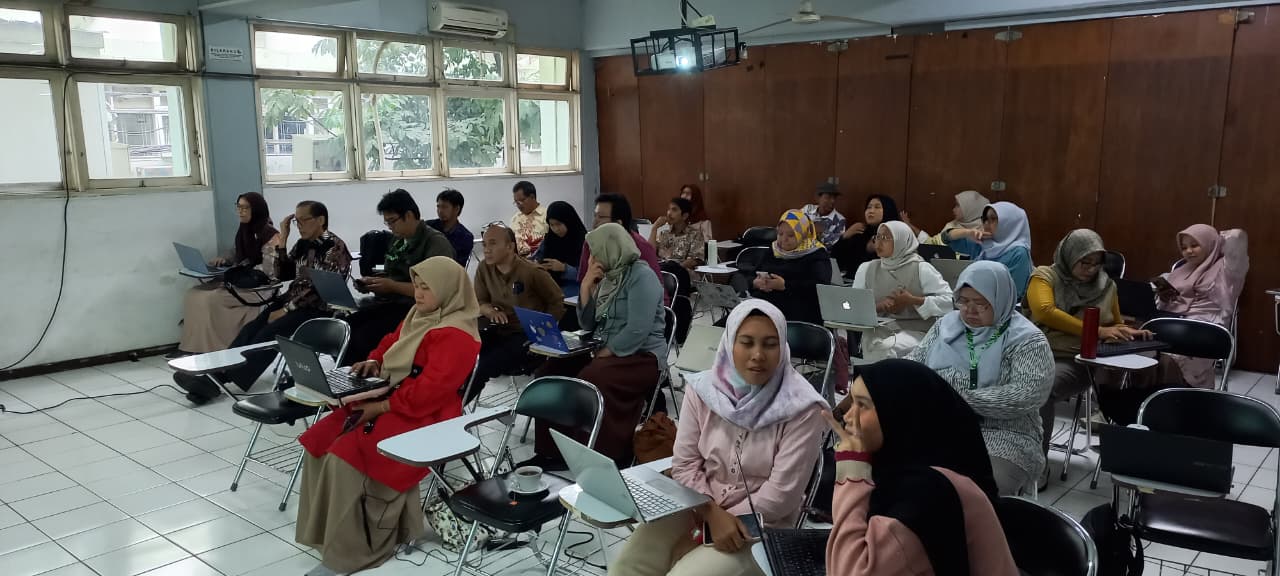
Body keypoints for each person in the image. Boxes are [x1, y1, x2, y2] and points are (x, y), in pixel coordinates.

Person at [608, 300, 827, 576]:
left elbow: (780, 496)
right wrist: (709, 515)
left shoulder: (802, 408)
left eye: (770, 345)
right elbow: (685, 465)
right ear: (729, 343)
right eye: (746, 342)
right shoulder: (703, 390)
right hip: (696, 502)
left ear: (783, 348)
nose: (758, 355)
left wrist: (704, 535)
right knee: (628, 566)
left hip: (760, 525)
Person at [296, 257, 481, 576]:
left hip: (426, 414)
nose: (418, 293)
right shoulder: (419, 315)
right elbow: (390, 343)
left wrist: (381, 407)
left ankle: (352, 551)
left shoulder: (458, 334)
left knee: (346, 456)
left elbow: (429, 392)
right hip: (392, 396)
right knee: (320, 439)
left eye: (427, 288)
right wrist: (374, 362)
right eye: (417, 286)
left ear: (449, 291)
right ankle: (327, 535)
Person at [823, 359, 1019, 576]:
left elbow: (847, 571)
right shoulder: (905, 469)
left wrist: (852, 472)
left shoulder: (929, 493)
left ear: (898, 413)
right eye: (851, 402)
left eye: (863, 405)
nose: (848, 416)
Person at [174, 201, 351, 404]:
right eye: (297, 221)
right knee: (251, 329)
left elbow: (319, 290)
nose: (300, 226)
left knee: (269, 334)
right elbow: (283, 274)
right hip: (293, 301)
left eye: (304, 220)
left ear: (320, 220)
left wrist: (286, 309)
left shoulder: (334, 248)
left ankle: (220, 381)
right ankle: (216, 376)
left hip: (318, 308)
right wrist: (283, 240)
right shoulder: (304, 244)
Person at [1029, 229, 1183, 463]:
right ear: (1069, 255)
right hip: (1037, 352)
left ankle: (1036, 464)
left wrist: (1126, 332)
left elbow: (1115, 323)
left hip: (1079, 360)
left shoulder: (1106, 285)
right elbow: (1044, 311)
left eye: (1096, 264)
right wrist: (1097, 331)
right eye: (1085, 262)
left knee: (1042, 388)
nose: (1091, 269)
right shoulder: (1044, 276)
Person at [907, 261, 1054, 495]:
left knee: (981, 488)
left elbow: (1028, 393)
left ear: (1001, 299)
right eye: (964, 301)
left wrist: (958, 399)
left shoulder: (1027, 340)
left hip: (1005, 435)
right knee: (906, 476)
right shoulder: (945, 326)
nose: (970, 310)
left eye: (981, 303)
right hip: (941, 427)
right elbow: (914, 365)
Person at [527, 223, 667, 468]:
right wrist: (585, 287)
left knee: (592, 378)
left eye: (596, 251)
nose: (592, 258)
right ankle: (552, 451)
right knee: (550, 373)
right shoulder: (608, 278)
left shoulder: (641, 276)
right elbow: (588, 324)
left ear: (612, 248)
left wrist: (606, 352)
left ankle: (602, 454)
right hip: (606, 350)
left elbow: (637, 329)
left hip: (642, 356)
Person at [342, 190, 455, 365]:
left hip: (419, 310)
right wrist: (374, 282)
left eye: (392, 221)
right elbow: (393, 272)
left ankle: (369, 375)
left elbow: (434, 291)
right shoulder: (399, 240)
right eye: (387, 223)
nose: (390, 227)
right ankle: (349, 376)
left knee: (363, 337)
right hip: (392, 303)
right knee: (346, 327)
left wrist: (392, 286)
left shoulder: (435, 243)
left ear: (408, 215)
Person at [471, 224, 565, 404]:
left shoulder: (531, 272)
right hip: (498, 330)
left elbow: (557, 301)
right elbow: (480, 301)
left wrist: (544, 332)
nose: (486, 249)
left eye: (492, 243)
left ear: (510, 246)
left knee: (484, 365)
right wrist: (489, 311)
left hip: (526, 335)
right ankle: (451, 404)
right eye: (484, 244)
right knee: (465, 357)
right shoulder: (484, 268)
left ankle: (456, 407)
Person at [177, 192, 279, 354]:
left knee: (210, 298)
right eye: (239, 207)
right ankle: (192, 346)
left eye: (246, 208)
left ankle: (215, 347)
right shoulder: (245, 229)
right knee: (193, 294)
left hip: (259, 287)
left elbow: (269, 270)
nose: (241, 211)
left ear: (257, 209)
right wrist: (224, 259)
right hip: (241, 280)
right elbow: (236, 251)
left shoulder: (270, 235)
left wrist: (240, 269)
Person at [1154, 224, 1249, 388]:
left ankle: (1179, 391)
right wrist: (1163, 297)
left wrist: (1221, 239)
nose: (1189, 251)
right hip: (1175, 324)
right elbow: (1165, 306)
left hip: (1206, 328)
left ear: (1210, 243)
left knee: (1171, 360)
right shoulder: (1181, 271)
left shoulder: (1227, 270)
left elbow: (1237, 239)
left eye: (1194, 245)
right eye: (1184, 248)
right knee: (1147, 350)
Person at [851, 221, 954, 362]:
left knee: (885, 348)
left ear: (902, 241)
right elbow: (855, 306)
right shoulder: (867, 268)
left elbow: (950, 302)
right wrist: (879, 307)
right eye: (877, 237)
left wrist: (913, 301)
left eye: (886, 238)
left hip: (916, 331)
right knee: (871, 345)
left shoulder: (921, 268)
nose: (879, 242)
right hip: (879, 330)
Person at [746, 209, 831, 325]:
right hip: (764, 304)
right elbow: (752, 274)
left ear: (803, 235)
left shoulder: (817, 254)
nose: (783, 239)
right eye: (780, 234)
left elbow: (821, 288)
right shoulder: (774, 250)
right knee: (731, 323)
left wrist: (785, 285)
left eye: (791, 235)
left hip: (798, 311)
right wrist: (755, 282)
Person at [579, 193, 663, 285]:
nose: (594, 223)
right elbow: (583, 281)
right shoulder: (591, 243)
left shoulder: (642, 248)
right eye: (595, 216)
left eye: (601, 217)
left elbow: (659, 290)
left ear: (618, 224)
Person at [832, 194, 919, 277]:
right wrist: (844, 237)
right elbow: (837, 262)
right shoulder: (860, 232)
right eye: (868, 207)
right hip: (853, 282)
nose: (871, 211)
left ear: (888, 210)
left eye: (877, 207)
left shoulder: (897, 234)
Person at [964, 202, 1033, 299]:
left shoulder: (1019, 252)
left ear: (1009, 223)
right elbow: (946, 238)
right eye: (985, 219)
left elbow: (1014, 293)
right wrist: (968, 232)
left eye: (993, 219)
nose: (986, 223)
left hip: (1003, 306)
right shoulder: (983, 242)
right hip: (974, 299)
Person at [533, 200, 587, 299]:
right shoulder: (549, 240)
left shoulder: (584, 242)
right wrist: (538, 265)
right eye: (552, 225)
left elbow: (587, 274)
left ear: (569, 221)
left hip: (575, 292)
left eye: (558, 224)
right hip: (550, 287)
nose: (555, 229)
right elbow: (536, 258)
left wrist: (564, 268)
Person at [922, 190, 991, 260]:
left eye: (957, 205)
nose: (953, 209)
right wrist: (966, 233)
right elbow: (933, 243)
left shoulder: (986, 230)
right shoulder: (951, 225)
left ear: (970, 208)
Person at [652, 197, 708, 270]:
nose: (669, 213)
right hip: (662, 271)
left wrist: (675, 269)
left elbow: (694, 260)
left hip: (682, 272)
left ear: (684, 216)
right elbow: (650, 253)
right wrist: (654, 229)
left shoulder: (695, 235)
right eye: (669, 209)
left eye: (674, 210)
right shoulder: (664, 234)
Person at [425, 188, 474, 267]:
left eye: (444, 207)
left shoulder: (465, 237)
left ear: (456, 209)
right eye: (438, 206)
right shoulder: (428, 226)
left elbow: (458, 266)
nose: (440, 211)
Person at [802, 182, 849, 248]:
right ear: (818, 198)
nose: (833, 201)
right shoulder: (807, 209)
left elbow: (837, 243)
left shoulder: (840, 220)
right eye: (828, 197)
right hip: (801, 248)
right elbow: (794, 224)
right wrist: (811, 228)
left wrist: (822, 233)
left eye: (834, 198)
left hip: (821, 252)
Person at [510, 180, 547, 257]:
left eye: (522, 200)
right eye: (516, 202)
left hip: (541, 260)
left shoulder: (546, 215)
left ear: (532, 197)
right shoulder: (515, 219)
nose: (519, 205)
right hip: (519, 261)